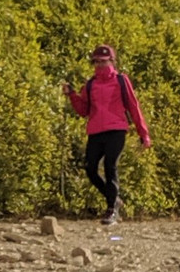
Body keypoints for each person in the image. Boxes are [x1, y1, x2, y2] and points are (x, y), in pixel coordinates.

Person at [63, 44, 152, 225]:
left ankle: (112, 210)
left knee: (110, 165)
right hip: (96, 130)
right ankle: (115, 200)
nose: (100, 65)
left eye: (103, 61)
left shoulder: (121, 80)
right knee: (90, 168)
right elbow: (83, 110)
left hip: (116, 129)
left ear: (112, 61)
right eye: (96, 61)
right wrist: (72, 94)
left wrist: (144, 134)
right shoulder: (90, 84)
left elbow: (133, 106)